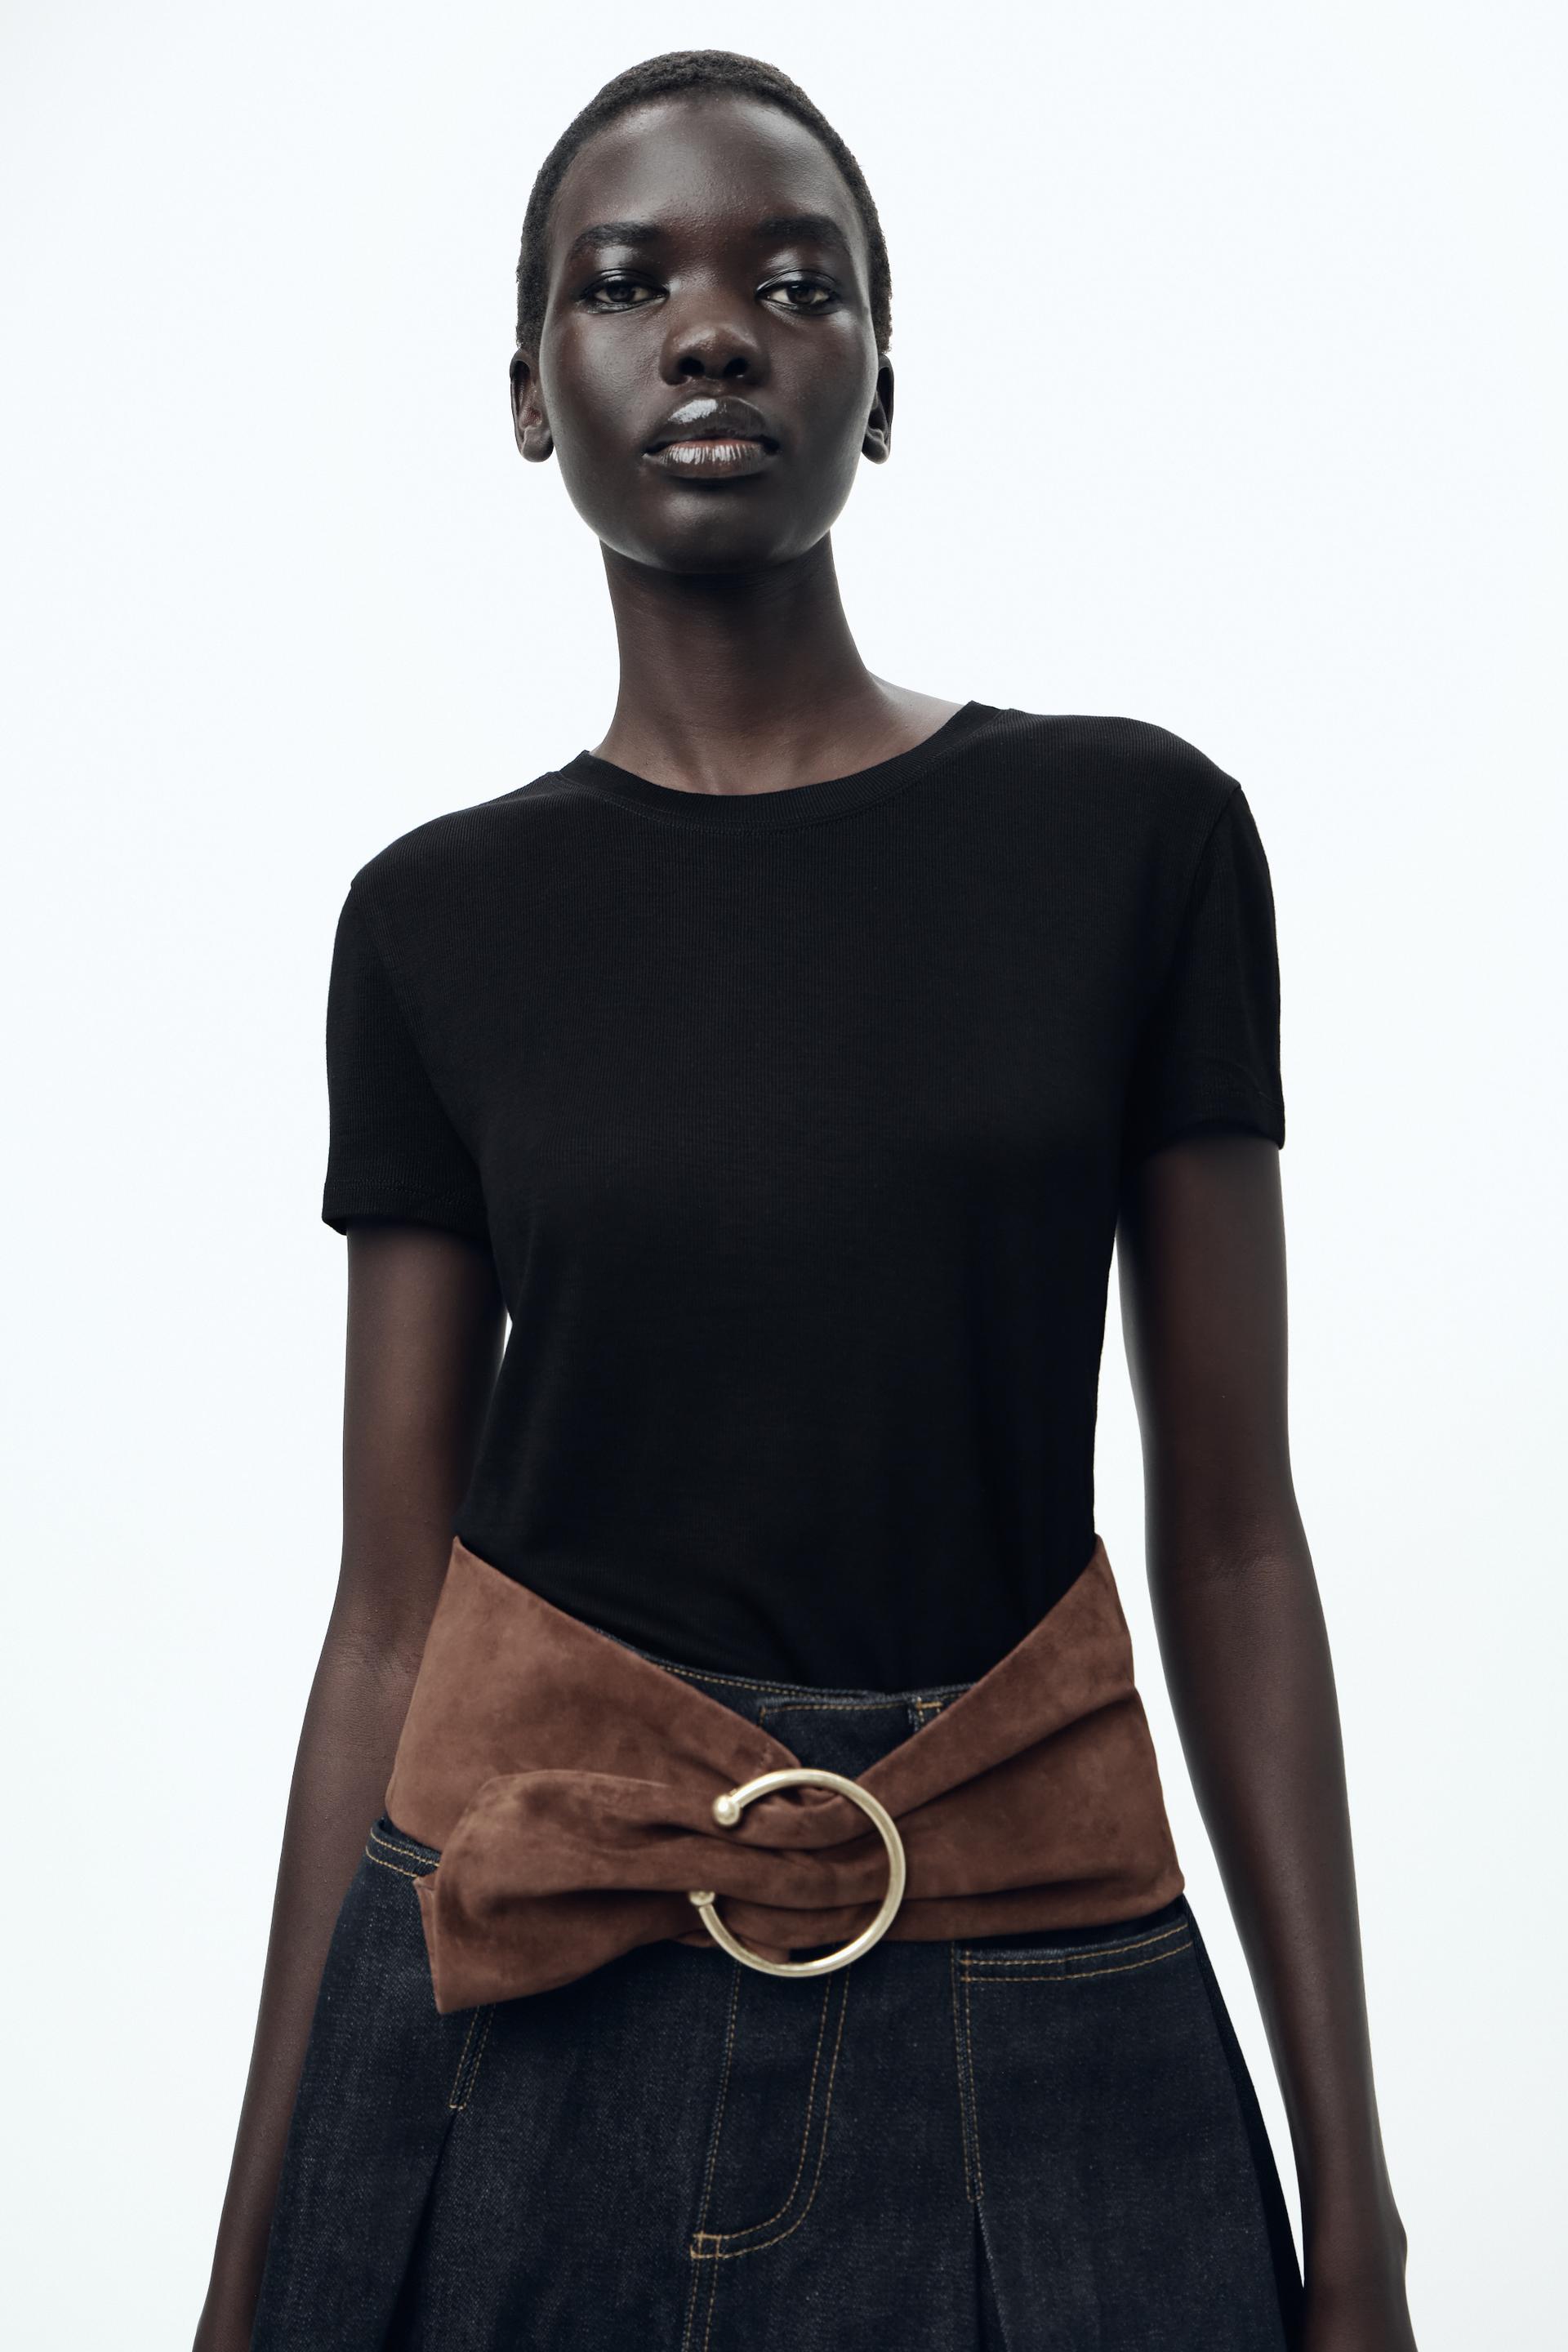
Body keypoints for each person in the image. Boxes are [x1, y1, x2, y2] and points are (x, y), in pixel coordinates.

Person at [195, 48, 1417, 2352]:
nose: (712, 332)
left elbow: (1239, 1538)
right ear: (533, 392)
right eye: (625, 284)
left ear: (883, 374)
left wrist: (1357, 2205)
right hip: (527, 2026)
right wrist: (254, 2259)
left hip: (1044, 1999)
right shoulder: (433, 923)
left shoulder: (1134, 841)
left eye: (795, 281)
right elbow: (388, 1615)